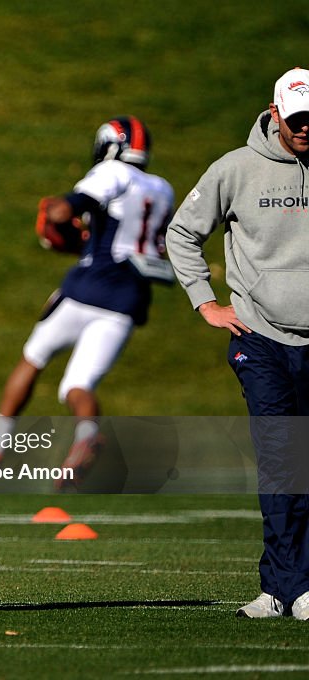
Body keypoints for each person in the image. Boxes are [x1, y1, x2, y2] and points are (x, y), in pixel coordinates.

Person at [166, 68, 309, 621]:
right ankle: (286, 587)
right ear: (274, 114)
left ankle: (290, 585)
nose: (305, 129)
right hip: (261, 339)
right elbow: (182, 233)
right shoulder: (235, 168)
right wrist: (205, 302)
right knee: (283, 460)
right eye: (296, 120)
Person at [0, 117, 175, 486]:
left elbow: (64, 211)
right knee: (77, 386)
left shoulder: (111, 172)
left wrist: (57, 216)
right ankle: (86, 435)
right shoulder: (163, 188)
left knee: (34, 357)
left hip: (88, 286)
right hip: (130, 296)